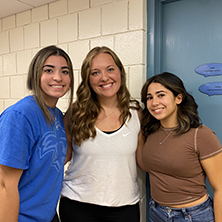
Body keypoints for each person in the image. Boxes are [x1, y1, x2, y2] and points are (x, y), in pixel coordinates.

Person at [59, 46, 143, 222]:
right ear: (88, 80)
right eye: (95, 72)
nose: (105, 77)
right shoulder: (75, 113)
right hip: (78, 205)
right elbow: (61, 157)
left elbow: (144, 161)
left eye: (110, 69)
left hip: (125, 207)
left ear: (120, 72)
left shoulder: (136, 112)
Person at [0, 45, 74, 222]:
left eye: (64, 71)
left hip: (48, 215)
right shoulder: (20, 116)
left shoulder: (57, 116)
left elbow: (52, 161)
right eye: (49, 70)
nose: (58, 77)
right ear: (35, 75)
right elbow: (5, 185)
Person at [137, 72, 222, 222]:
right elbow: (146, 166)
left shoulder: (201, 135)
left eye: (161, 95)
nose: (154, 102)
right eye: (149, 97)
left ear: (178, 98)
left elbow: (220, 188)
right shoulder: (150, 132)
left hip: (192, 215)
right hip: (156, 212)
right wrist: (138, 133)